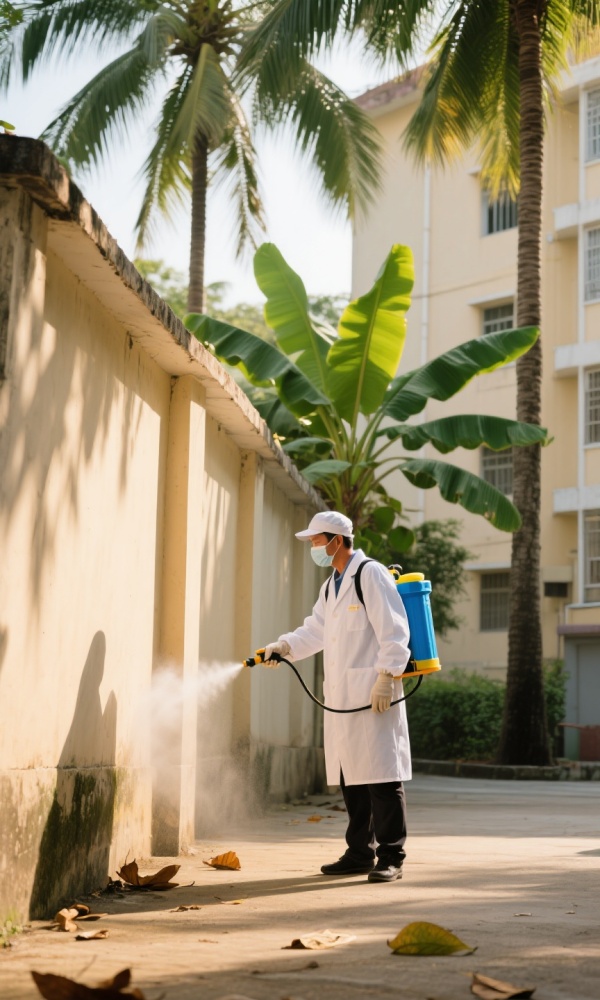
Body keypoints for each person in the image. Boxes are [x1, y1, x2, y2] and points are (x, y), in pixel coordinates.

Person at [263, 510, 411, 883]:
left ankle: (392, 856)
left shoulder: (370, 574)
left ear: (336, 539)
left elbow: (395, 630)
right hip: (344, 696)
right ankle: (360, 851)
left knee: (382, 776)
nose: (313, 546)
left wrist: (387, 676)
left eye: (316, 540)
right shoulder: (331, 585)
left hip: (374, 691)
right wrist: (284, 646)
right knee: (352, 776)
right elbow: (315, 629)